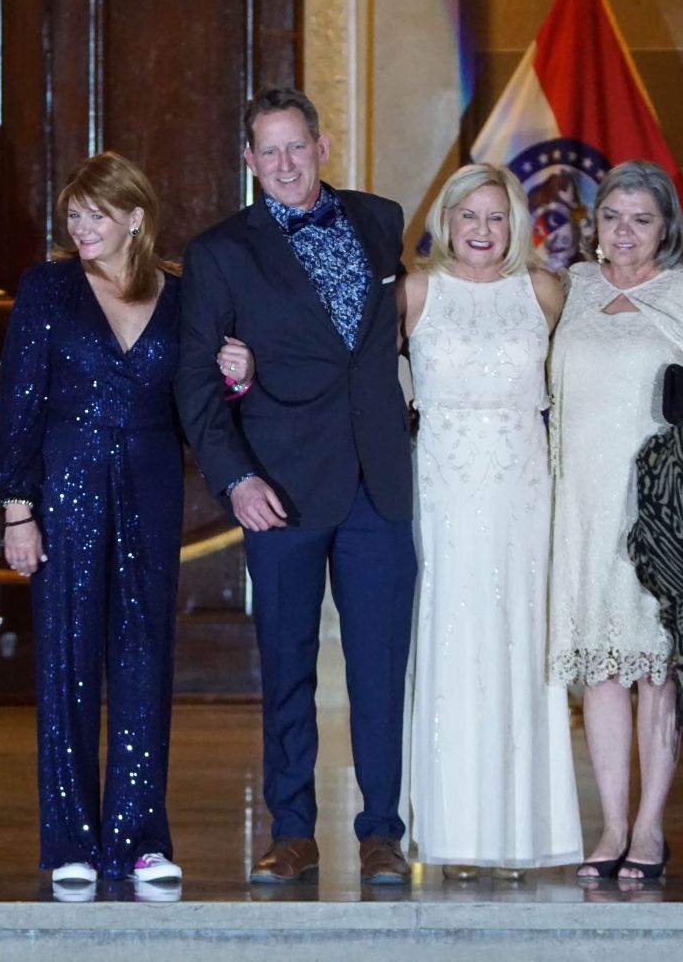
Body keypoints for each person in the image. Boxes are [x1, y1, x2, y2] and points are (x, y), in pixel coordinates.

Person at [0, 152, 255, 887]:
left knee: (144, 657)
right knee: (67, 662)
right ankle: (71, 844)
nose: (80, 228)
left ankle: (140, 839)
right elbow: (20, 401)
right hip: (66, 484)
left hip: (151, 483)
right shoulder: (47, 288)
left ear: (136, 218)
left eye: (95, 215)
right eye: (73, 215)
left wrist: (237, 382)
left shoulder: (183, 295)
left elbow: (196, 403)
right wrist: (18, 511)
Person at [175, 87, 417, 885]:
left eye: (296, 146)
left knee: (381, 669)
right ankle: (292, 831)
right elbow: (195, 384)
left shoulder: (381, 220)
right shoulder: (220, 252)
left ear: (321, 146)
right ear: (250, 161)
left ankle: (383, 832)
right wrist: (236, 478)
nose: (284, 164)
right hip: (278, 488)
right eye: (268, 151)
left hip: (379, 483)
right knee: (287, 669)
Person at [546, 160, 683, 881]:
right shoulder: (573, 287)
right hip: (581, 508)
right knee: (603, 671)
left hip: (661, 514)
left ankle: (649, 828)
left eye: (642, 219)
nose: (625, 231)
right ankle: (610, 825)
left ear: (666, 227)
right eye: (612, 217)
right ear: (594, 224)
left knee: (655, 671)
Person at [396, 163, 581, 879]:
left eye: (495, 216)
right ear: (445, 220)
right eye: (468, 215)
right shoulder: (415, 292)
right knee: (449, 647)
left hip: (523, 497)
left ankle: (520, 832)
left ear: (516, 225)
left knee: (519, 645)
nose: (481, 229)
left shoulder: (544, 291)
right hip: (441, 494)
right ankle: (453, 835)